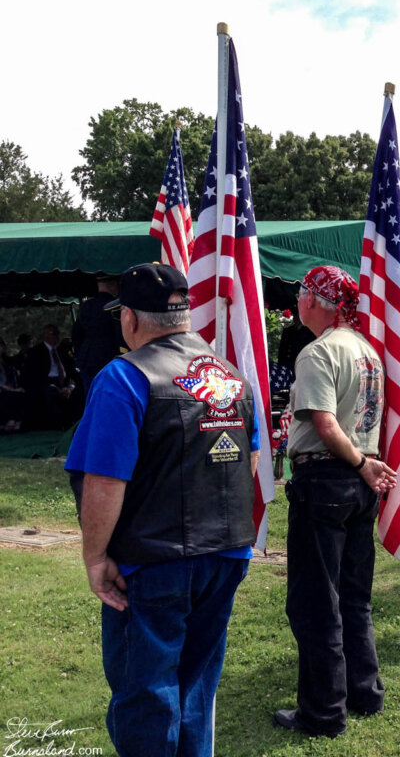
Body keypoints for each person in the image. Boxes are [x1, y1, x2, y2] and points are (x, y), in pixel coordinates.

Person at [64, 263, 259, 757]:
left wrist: (95, 558)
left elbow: (105, 479)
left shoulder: (124, 377)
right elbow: (250, 462)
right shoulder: (234, 378)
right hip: (227, 551)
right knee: (195, 686)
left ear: (128, 319)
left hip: (153, 561)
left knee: (146, 693)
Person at [275, 266, 397, 738]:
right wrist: (364, 465)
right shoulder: (367, 350)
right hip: (359, 480)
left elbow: (325, 424)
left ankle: (323, 711)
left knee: (315, 601)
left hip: (328, 476)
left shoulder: (319, 352)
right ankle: (364, 691)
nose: (298, 302)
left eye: (303, 294)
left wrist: (360, 464)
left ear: (314, 301)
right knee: (353, 596)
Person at [72, 275, 124, 397]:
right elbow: (119, 333)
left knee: (91, 397)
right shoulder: (115, 306)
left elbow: (76, 335)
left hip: (87, 358)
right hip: (110, 357)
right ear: (113, 285)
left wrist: (80, 355)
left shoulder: (86, 306)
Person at [24, 323, 76, 430]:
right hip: (47, 383)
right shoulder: (36, 352)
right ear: (46, 335)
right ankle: (58, 424)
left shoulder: (62, 352)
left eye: (57, 333)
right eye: (53, 333)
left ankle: (76, 422)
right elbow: (35, 375)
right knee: (51, 393)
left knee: (78, 391)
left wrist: (70, 386)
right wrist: (55, 387)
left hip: (64, 382)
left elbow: (71, 370)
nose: (56, 336)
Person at [0, 337, 27, 432]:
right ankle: (11, 421)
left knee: (21, 394)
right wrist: (13, 390)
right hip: (3, 390)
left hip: (11, 388)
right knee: (8, 396)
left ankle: (16, 422)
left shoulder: (8, 362)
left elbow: (14, 377)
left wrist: (16, 388)